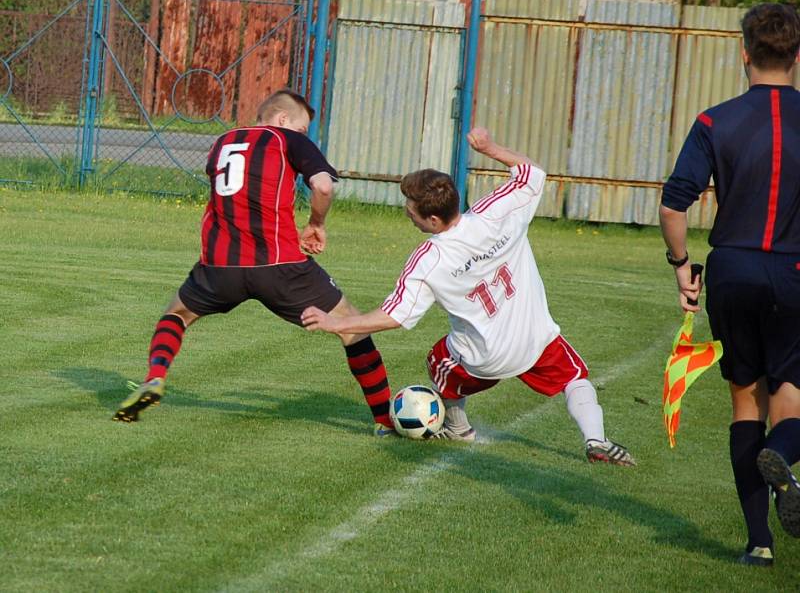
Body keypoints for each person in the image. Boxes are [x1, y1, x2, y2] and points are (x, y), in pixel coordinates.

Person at [301, 126, 635, 466]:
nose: (406, 213)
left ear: (432, 219)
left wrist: (334, 322)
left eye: (410, 209)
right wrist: (490, 148)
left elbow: (396, 315)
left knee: (439, 359)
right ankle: (597, 439)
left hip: (483, 359)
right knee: (575, 380)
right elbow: (532, 173)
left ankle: (459, 429)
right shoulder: (496, 213)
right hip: (536, 341)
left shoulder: (429, 259)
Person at [113, 89, 395, 436]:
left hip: (219, 267)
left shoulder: (222, 142)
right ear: (282, 120)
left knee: (176, 315)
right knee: (354, 327)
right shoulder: (286, 138)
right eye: (302, 129)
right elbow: (323, 187)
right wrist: (317, 224)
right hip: (280, 265)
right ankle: (384, 421)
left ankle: (155, 377)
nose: (303, 136)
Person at [660, 3, 800, 567]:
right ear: (797, 56)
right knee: (789, 396)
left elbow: (674, 205)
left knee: (746, 398)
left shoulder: (715, 120)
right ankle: (780, 452)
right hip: (795, 271)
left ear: (744, 53)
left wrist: (681, 264)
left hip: (733, 270)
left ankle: (759, 543)